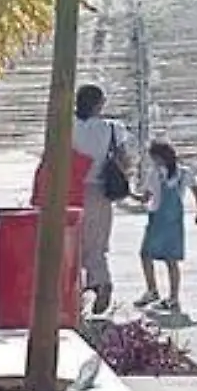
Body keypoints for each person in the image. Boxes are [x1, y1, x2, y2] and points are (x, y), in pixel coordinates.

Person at [72, 84, 134, 314]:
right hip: (99, 190)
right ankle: (100, 281)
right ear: (99, 104)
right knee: (96, 243)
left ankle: (74, 288)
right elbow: (125, 161)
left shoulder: (67, 126)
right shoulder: (112, 128)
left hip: (69, 189)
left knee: (70, 241)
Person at [135, 140, 197, 313]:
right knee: (171, 260)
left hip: (158, 220)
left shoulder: (155, 174)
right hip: (174, 221)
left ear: (158, 157)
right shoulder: (184, 173)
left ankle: (152, 290)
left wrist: (127, 193)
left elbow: (146, 198)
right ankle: (173, 297)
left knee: (145, 254)